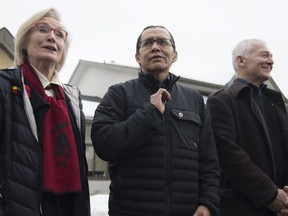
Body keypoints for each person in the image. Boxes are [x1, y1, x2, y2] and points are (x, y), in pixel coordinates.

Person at [91, 25, 220, 216]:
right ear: (137, 57)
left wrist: (208, 203)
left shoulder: (194, 99)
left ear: (174, 55)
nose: (155, 47)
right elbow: (104, 144)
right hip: (131, 210)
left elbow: (209, 160)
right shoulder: (119, 93)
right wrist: (149, 113)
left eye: (162, 42)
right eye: (147, 43)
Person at [0, 8, 91, 216]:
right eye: (43, 29)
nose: (52, 37)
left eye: (59, 34)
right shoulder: (5, 86)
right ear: (24, 42)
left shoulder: (72, 97)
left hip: (70, 205)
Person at [206, 38, 288, 216]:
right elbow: (228, 153)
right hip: (241, 207)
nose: (271, 61)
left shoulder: (276, 102)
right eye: (264, 55)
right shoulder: (221, 101)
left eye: (272, 56)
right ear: (241, 60)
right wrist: (270, 194)